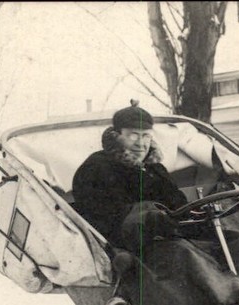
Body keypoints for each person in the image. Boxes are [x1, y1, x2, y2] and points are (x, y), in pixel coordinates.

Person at [72, 101, 188, 253]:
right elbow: (101, 222)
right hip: (129, 250)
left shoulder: (156, 169)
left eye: (146, 136)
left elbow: (180, 206)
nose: (140, 144)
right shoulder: (97, 167)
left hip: (170, 239)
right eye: (133, 135)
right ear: (116, 136)